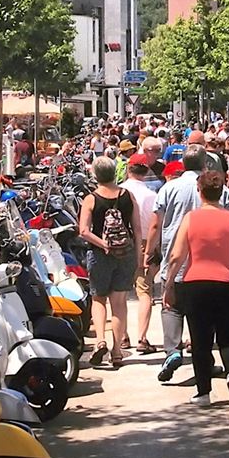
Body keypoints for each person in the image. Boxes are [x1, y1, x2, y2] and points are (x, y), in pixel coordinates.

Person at [164, 167, 229, 407]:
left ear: (200, 191)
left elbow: (176, 256)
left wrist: (169, 284)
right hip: (228, 283)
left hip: (196, 283)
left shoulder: (191, 219)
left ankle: (203, 392)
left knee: (200, 339)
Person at [147, 149, 229, 384]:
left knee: (171, 307)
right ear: (205, 164)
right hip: (210, 264)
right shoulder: (220, 189)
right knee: (204, 317)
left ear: (183, 164)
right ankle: (205, 362)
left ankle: (173, 350)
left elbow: (155, 224)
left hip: (175, 259)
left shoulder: (169, 188)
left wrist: (149, 251)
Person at [79, 155, 138, 369]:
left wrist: (103, 243)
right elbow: (137, 229)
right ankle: (117, 351)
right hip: (125, 253)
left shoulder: (91, 199)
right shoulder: (128, 196)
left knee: (98, 298)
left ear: (95, 175)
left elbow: (83, 231)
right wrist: (138, 257)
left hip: (99, 254)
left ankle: (100, 341)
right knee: (119, 302)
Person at [123, 151, 160, 353]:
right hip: (145, 242)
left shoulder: (119, 191)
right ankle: (142, 338)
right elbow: (155, 225)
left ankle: (122, 336)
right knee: (144, 291)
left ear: (129, 169)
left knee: (119, 292)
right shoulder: (151, 195)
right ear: (146, 171)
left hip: (121, 243)